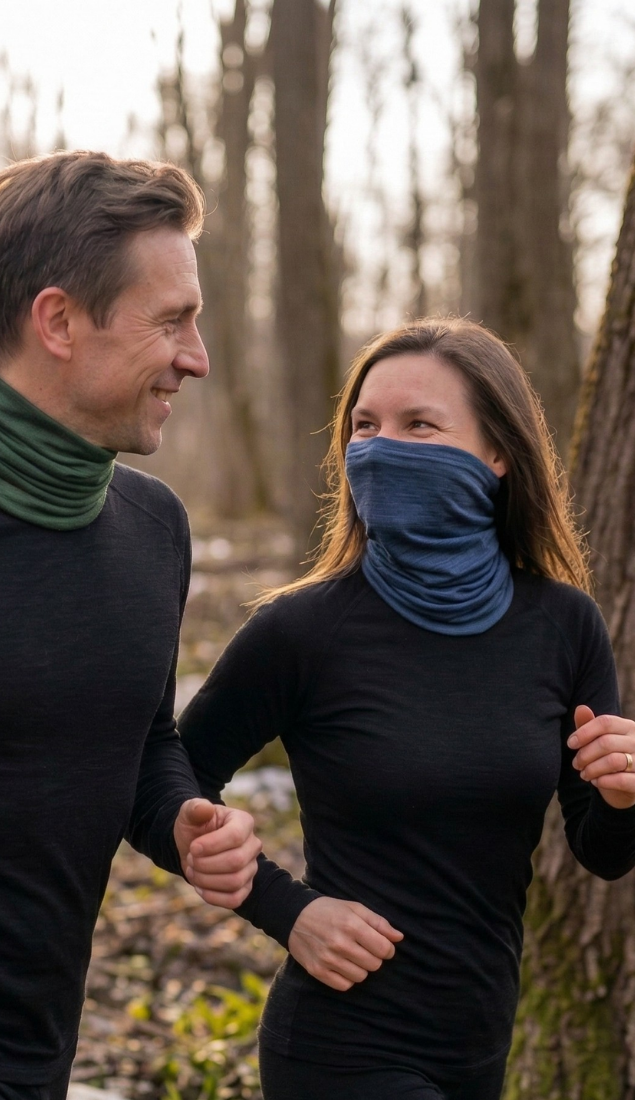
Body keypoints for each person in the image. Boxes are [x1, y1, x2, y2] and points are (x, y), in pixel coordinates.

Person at [0, 150, 262, 1099]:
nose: (197, 356)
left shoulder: (155, 529)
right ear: (60, 321)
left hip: (43, 1048)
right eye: (173, 322)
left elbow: (141, 735)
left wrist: (182, 819)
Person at [179, 317, 635, 1100]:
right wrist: (284, 908)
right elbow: (162, 780)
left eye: (418, 424)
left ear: (498, 454)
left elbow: (603, 850)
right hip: (339, 1045)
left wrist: (626, 793)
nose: (380, 447)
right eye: (364, 426)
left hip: (479, 1044)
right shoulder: (302, 629)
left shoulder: (564, 626)